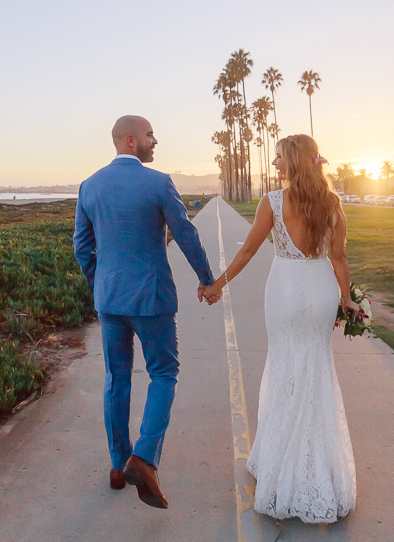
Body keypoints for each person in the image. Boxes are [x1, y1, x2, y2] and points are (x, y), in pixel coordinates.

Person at [202, 134, 358, 523]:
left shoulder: (273, 202)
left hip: (285, 291)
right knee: (316, 370)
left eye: (277, 159)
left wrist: (218, 284)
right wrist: (347, 298)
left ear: (292, 161)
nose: (274, 165)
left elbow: (250, 250)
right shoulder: (333, 204)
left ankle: (282, 462)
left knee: (286, 367)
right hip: (320, 288)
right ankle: (319, 467)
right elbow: (338, 257)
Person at [74, 115, 220, 509]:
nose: (156, 141)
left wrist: (101, 284)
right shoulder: (158, 183)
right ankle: (144, 458)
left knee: (116, 380)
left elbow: (81, 248)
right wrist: (209, 279)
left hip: (110, 301)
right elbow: (185, 235)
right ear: (130, 139)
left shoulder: (89, 187)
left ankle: (118, 467)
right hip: (151, 299)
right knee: (164, 373)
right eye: (151, 135)